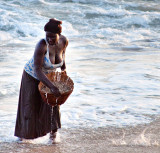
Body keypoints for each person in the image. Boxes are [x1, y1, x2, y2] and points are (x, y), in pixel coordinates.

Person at [14, 18, 68, 141]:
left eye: (53, 37)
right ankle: (22, 140)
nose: (50, 39)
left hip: (48, 75)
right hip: (32, 76)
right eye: (47, 36)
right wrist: (52, 86)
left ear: (59, 35)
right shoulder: (42, 45)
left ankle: (53, 138)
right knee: (29, 107)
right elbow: (37, 70)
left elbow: (63, 56)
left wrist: (64, 73)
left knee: (53, 105)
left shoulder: (64, 41)